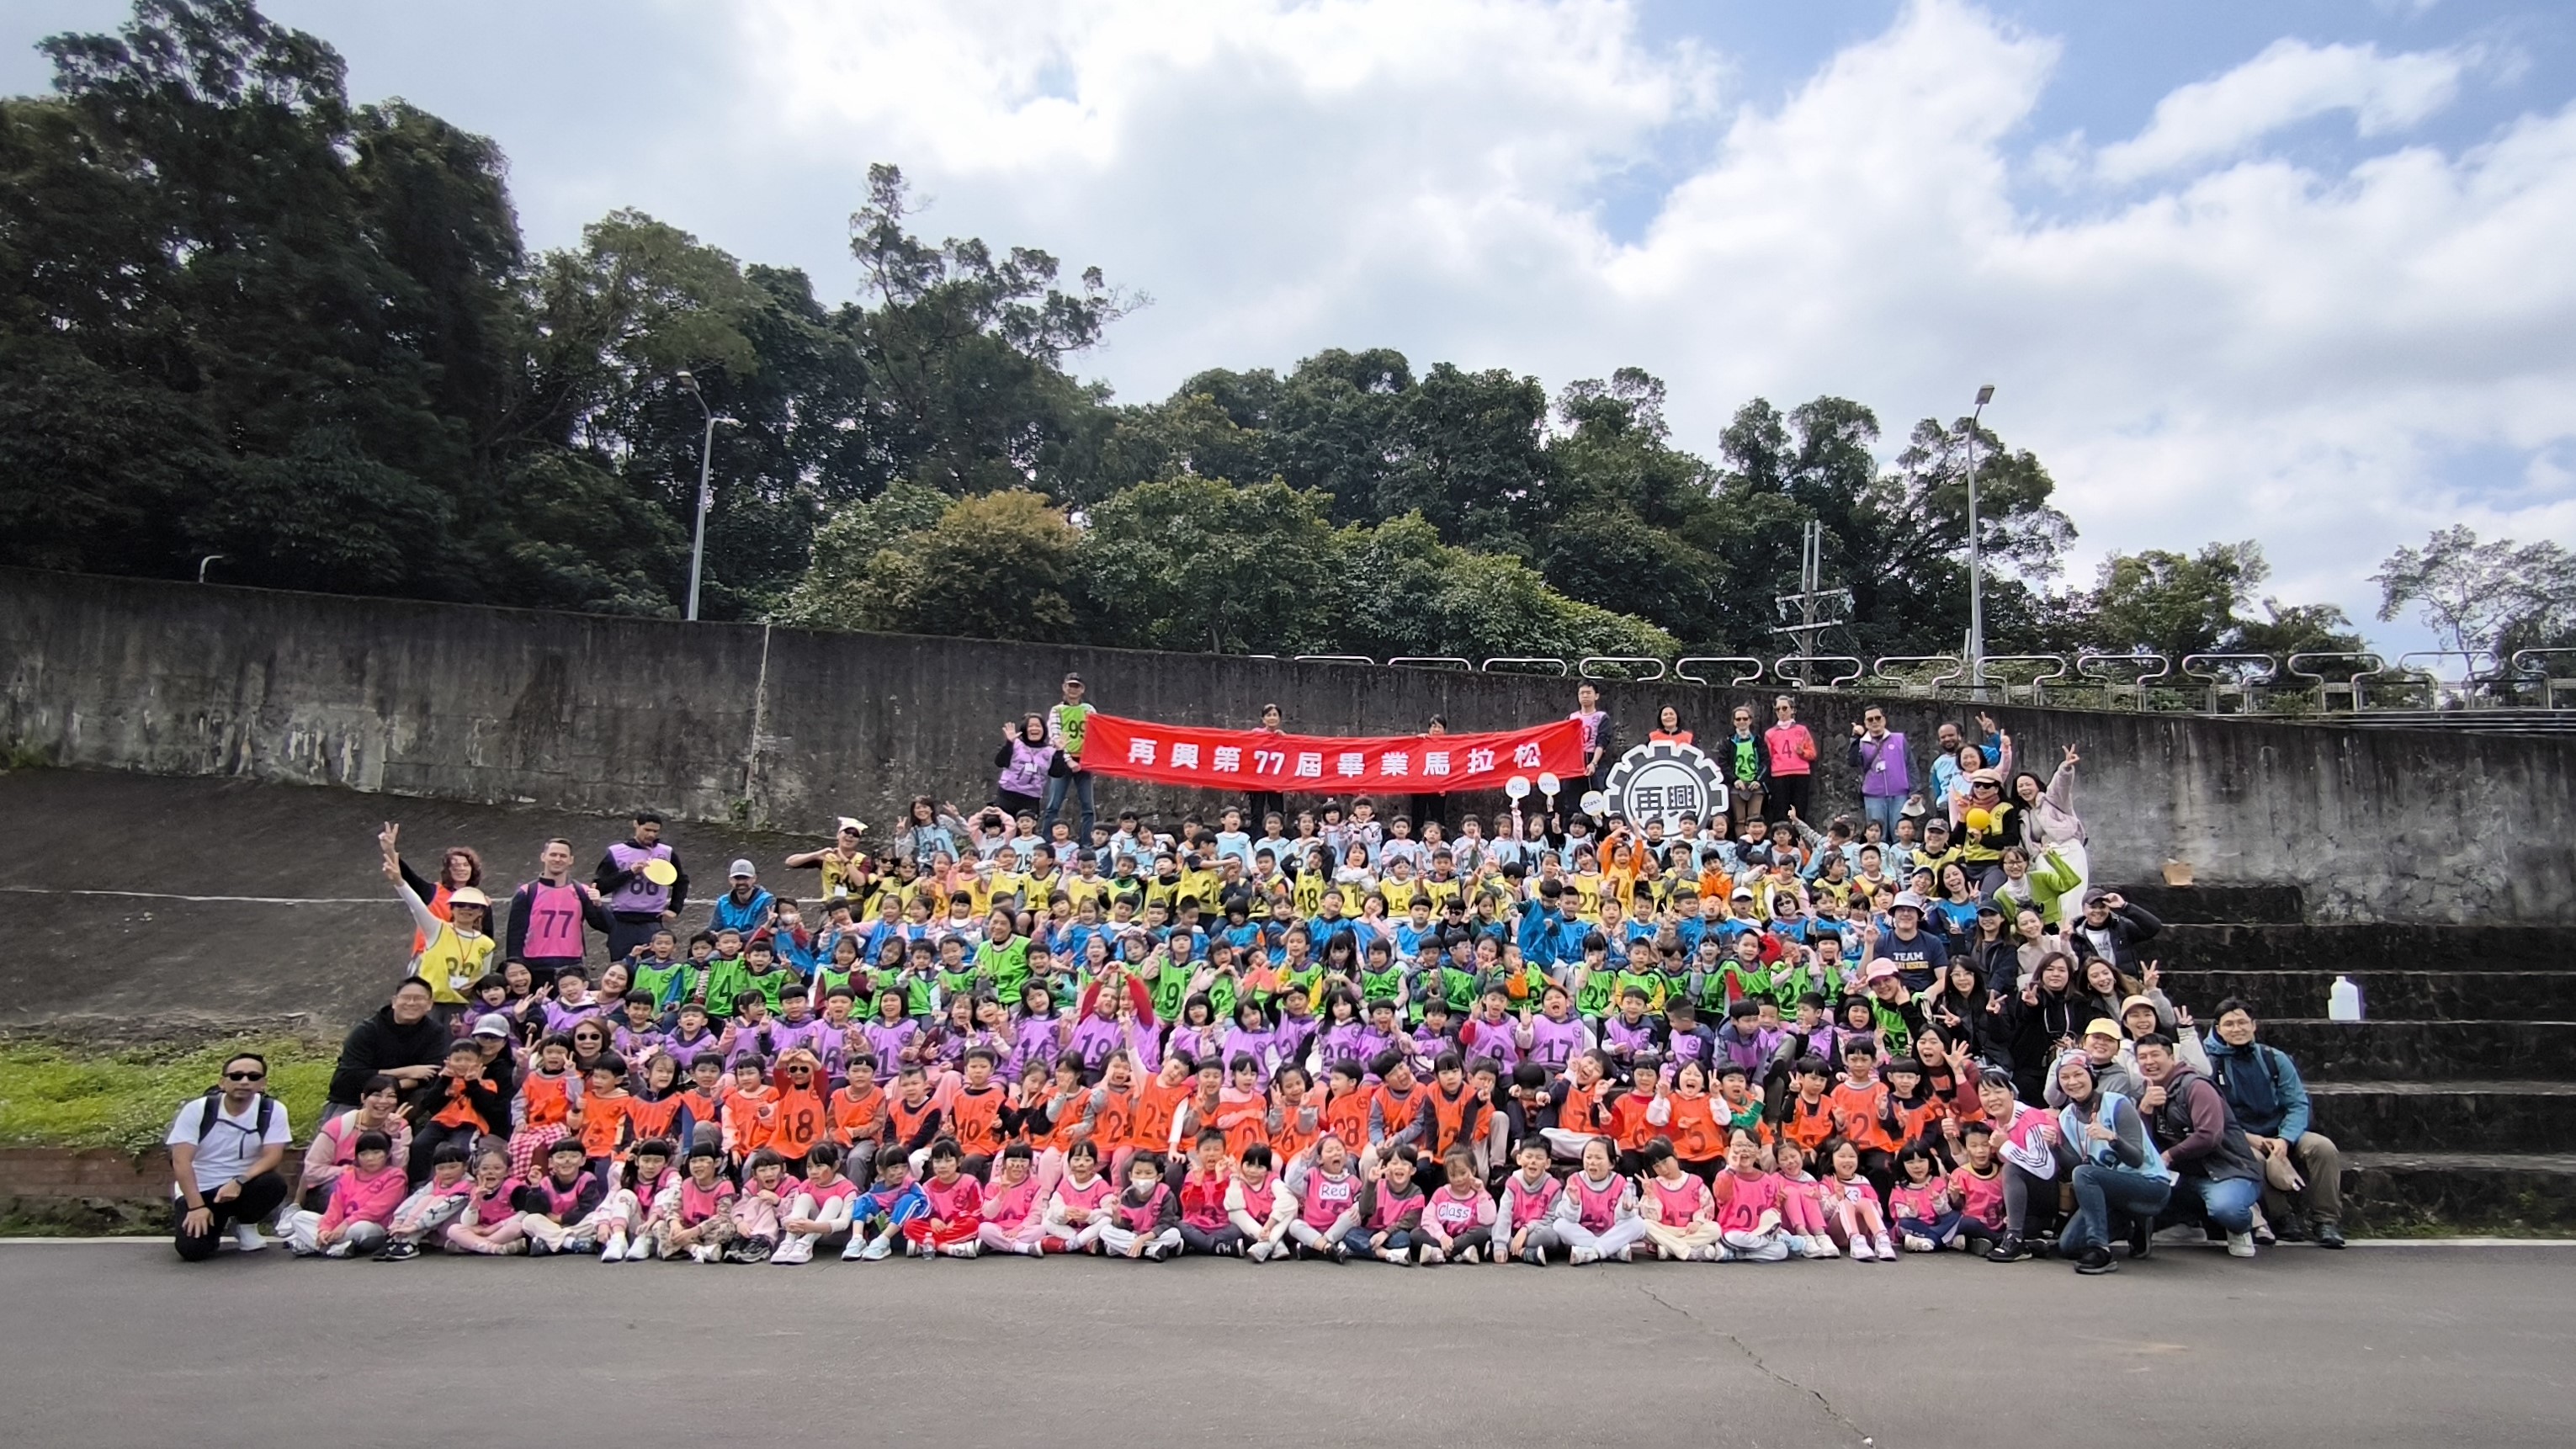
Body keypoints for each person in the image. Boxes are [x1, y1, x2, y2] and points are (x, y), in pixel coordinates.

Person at [2202, 1001, 2345, 1249]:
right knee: (2254, 1159)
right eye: (2229, 1024)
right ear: (2218, 1029)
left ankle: (2326, 1220)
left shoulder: (2274, 1058)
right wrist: (2248, 1137)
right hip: (2242, 1137)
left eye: (2242, 1022)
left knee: (2323, 1148)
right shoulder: (2209, 1064)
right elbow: (2213, 1114)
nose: (2236, 1029)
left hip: (2281, 1131)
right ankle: (2282, 1217)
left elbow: (2297, 1103)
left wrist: (2285, 1138)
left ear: (2253, 1025)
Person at [2135, 1032, 2263, 1258]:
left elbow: (2209, 1136)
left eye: (2155, 1055)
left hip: (2225, 1171)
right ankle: (2189, 1224)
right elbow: (2141, 1143)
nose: (2149, 1062)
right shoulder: (2147, 1092)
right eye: (2143, 1057)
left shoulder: (2196, 1086)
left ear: (2171, 1058)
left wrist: (2170, 1155)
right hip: (2184, 1176)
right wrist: (2144, 1111)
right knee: (2135, 1193)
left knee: (2226, 1209)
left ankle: (2241, 1226)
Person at [2048, 1049, 2170, 1275]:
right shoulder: (2066, 1117)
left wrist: (2112, 1138)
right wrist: (2054, 1147)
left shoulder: (2117, 1103)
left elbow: (2136, 1159)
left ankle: (2100, 1249)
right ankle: (2131, 1226)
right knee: (2069, 1246)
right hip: (2110, 1192)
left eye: (2078, 1074)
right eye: (2064, 1077)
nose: (2072, 1082)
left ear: (2091, 1076)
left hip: (2149, 1184)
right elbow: (2076, 1167)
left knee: (2086, 1174)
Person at [167, 1053, 292, 1261]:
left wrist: (239, 1180)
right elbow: (181, 1161)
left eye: (253, 1077)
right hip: (202, 1189)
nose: (244, 1081)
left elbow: (272, 1156)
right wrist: (197, 1206)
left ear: (262, 1083)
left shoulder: (271, 1110)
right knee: (192, 1251)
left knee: (273, 1184)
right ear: (222, 1082)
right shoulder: (198, 1110)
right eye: (236, 1076)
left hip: (243, 1186)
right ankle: (214, 1222)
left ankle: (245, 1224)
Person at [324, 977, 450, 1118]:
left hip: (399, 1097)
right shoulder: (367, 1030)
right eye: (406, 997)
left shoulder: (435, 1032)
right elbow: (350, 1076)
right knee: (340, 1130)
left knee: (427, 1091)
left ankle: (400, 1125)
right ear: (394, 1002)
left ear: (429, 1004)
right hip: (353, 1096)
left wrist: (388, 1091)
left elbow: (429, 1074)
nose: (411, 1003)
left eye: (418, 998)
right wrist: (406, 1072)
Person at [503, 837, 611, 990]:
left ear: (571, 860)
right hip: (535, 965)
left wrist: (598, 905)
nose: (558, 859)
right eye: (553, 855)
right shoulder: (527, 892)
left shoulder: (582, 891)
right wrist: (515, 969)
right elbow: (515, 936)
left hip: (572, 965)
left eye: (563, 856)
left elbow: (606, 926)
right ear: (543, 857)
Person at [595, 811, 687, 959]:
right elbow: (599, 886)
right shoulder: (617, 852)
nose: (651, 835)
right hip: (622, 921)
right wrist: (630, 873)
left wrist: (675, 909)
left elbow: (681, 881)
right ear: (636, 825)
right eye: (647, 830)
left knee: (655, 966)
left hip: (652, 920)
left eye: (655, 831)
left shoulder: (666, 852)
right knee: (621, 967)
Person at [1044, 673, 1099, 845]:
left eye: (1077, 686)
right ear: (1064, 687)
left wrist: (1092, 759)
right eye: (1070, 686)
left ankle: (1087, 844)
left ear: (1082, 689)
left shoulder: (1088, 709)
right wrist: (1068, 760)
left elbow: (1098, 732)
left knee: (1088, 807)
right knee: (1054, 804)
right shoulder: (1057, 710)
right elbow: (1055, 737)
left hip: (1084, 761)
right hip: (1063, 760)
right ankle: (1047, 842)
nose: (1073, 690)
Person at [1846, 708, 1912, 841]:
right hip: (1874, 795)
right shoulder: (1862, 743)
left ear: (1884, 720)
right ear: (1865, 723)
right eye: (1870, 719)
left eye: (1878, 718)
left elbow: (1911, 765)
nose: (1874, 722)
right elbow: (1852, 762)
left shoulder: (1899, 739)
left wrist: (1915, 790)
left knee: (1900, 834)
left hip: (1899, 793)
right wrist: (1855, 738)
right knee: (1876, 835)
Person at [2069, 889, 2161, 972]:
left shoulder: (2122, 927)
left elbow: (2154, 927)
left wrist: (2125, 906)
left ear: (2109, 908)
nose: (2098, 911)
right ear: (2083, 909)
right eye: (2093, 907)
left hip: (2124, 983)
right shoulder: (2075, 935)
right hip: (2094, 984)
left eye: (2102, 906)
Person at [993, 714, 1061, 822]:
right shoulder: (1016, 744)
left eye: (1038, 726)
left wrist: (1060, 752)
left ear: (1044, 729)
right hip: (1007, 794)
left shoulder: (1050, 751)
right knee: (1002, 828)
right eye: (1030, 726)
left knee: (1025, 830)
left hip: (1031, 799)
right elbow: (1000, 762)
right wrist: (1009, 743)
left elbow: (1057, 773)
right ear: (1025, 729)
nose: (1034, 728)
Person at [1763, 696, 1818, 822]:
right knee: (1780, 811)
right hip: (1779, 774)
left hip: (1800, 773)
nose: (1781, 712)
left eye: (1784, 708)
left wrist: (1802, 752)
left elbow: (1813, 753)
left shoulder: (1801, 730)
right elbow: (1769, 756)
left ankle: (1799, 834)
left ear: (1793, 710)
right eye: (1778, 709)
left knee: (1799, 810)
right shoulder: (1770, 734)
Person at [1569, 683, 1614, 800]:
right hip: (1575, 762)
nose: (1585, 696)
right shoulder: (1571, 718)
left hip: (1594, 759)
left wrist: (1594, 763)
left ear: (1596, 696)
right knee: (1572, 796)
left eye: (1588, 693)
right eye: (1582, 693)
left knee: (1597, 796)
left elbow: (1602, 741)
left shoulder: (1602, 717)